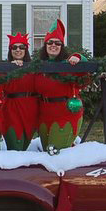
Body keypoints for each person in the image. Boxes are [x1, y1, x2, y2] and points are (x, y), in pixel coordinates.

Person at [34, 19, 88, 151]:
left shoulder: (68, 65)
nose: (53, 45)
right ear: (45, 45)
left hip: (65, 115)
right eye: (50, 42)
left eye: (57, 43)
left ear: (62, 46)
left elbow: (85, 75)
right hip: (44, 116)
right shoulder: (39, 67)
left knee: (55, 151)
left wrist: (79, 57)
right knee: (48, 151)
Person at [2, 33, 38, 151]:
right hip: (11, 108)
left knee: (25, 144)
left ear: (26, 50)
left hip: (30, 108)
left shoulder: (33, 67)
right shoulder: (4, 68)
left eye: (21, 47)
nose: (18, 50)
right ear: (10, 50)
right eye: (14, 47)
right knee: (15, 144)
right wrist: (10, 67)